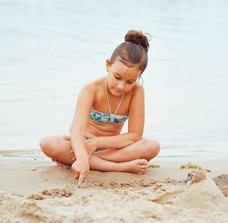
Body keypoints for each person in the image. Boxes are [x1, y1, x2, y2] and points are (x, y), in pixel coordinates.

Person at [39, 30, 160, 186]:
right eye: (117, 77)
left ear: (139, 76)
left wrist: (96, 143)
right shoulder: (91, 89)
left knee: (152, 146)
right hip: (84, 142)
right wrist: (82, 153)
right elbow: (77, 129)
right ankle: (120, 167)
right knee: (47, 143)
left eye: (130, 81)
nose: (121, 86)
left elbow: (134, 136)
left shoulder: (137, 92)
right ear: (108, 65)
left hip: (112, 147)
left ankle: (90, 161)